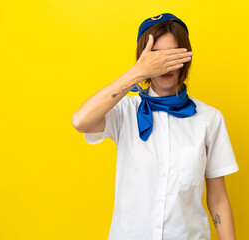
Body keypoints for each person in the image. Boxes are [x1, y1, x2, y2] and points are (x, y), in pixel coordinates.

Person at [72, 13, 239, 240]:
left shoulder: (209, 119)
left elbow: (218, 198)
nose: (164, 64)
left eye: (172, 54)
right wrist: (138, 73)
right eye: (155, 57)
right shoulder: (125, 112)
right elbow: (80, 121)